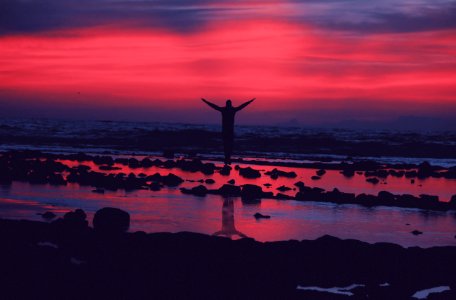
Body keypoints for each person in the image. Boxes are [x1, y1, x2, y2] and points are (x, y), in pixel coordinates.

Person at [201, 98, 255, 164]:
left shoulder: (230, 110)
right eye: (228, 104)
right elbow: (214, 106)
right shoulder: (228, 110)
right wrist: (206, 101)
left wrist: (250, 101)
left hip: (229, 129)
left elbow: (242, 106)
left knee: (228, 144)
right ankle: (227, 157)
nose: (228, 105)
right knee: (226, 144)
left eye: (228, 104)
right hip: (226, 130)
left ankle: (227, 157)